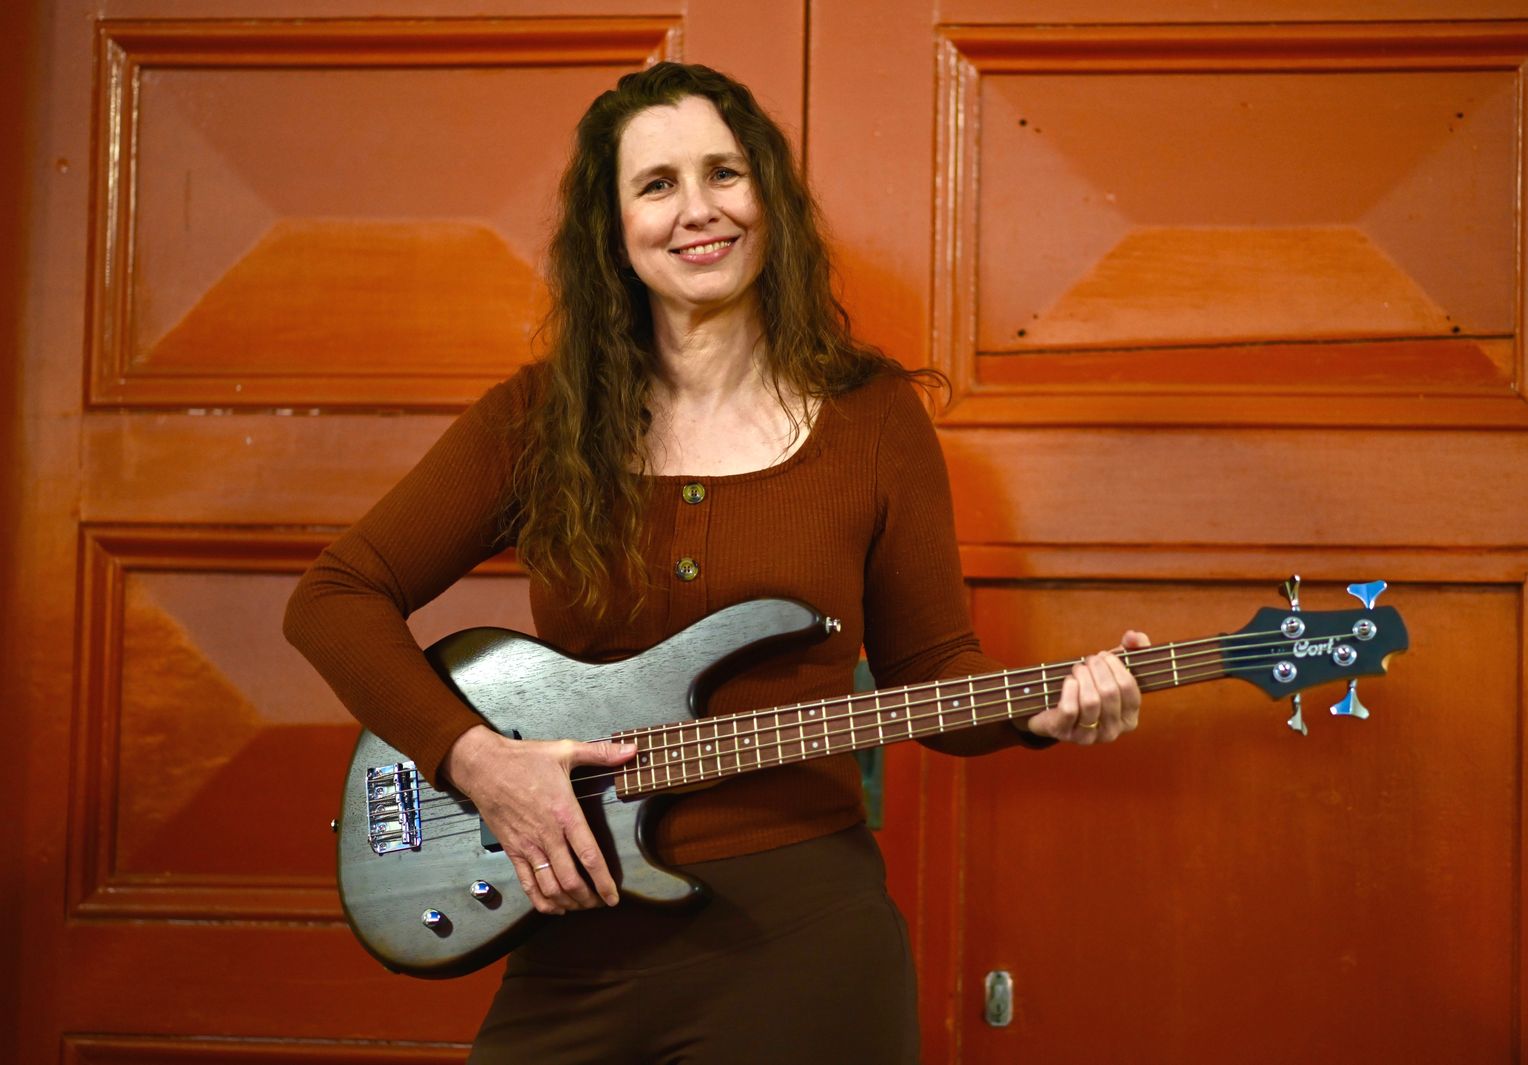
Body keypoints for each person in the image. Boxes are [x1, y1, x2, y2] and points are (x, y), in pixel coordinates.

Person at [283, 61, 1149, 1064]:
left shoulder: (872, 419)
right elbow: (334, 597)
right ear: (612, 230)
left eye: (724, 174)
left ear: (767, 197)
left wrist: (1038, 711)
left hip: (805, 936)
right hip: (578, 925)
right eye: (657, 185)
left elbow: (931, 671)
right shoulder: (540, 419)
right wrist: (477, 760)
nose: (698, 210)